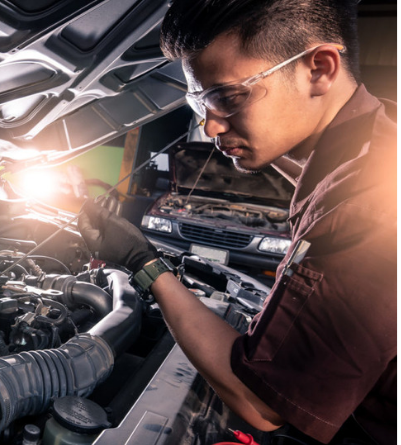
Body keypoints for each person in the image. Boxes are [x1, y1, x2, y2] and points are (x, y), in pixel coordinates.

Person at [78, 1, 396, 444]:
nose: (209, 127)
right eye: (198, 102)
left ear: (319, 69)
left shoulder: (368, 202)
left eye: (226, 97)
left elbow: (262, 404)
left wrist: (142, 262)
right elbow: (315, 175)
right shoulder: (378, 135)